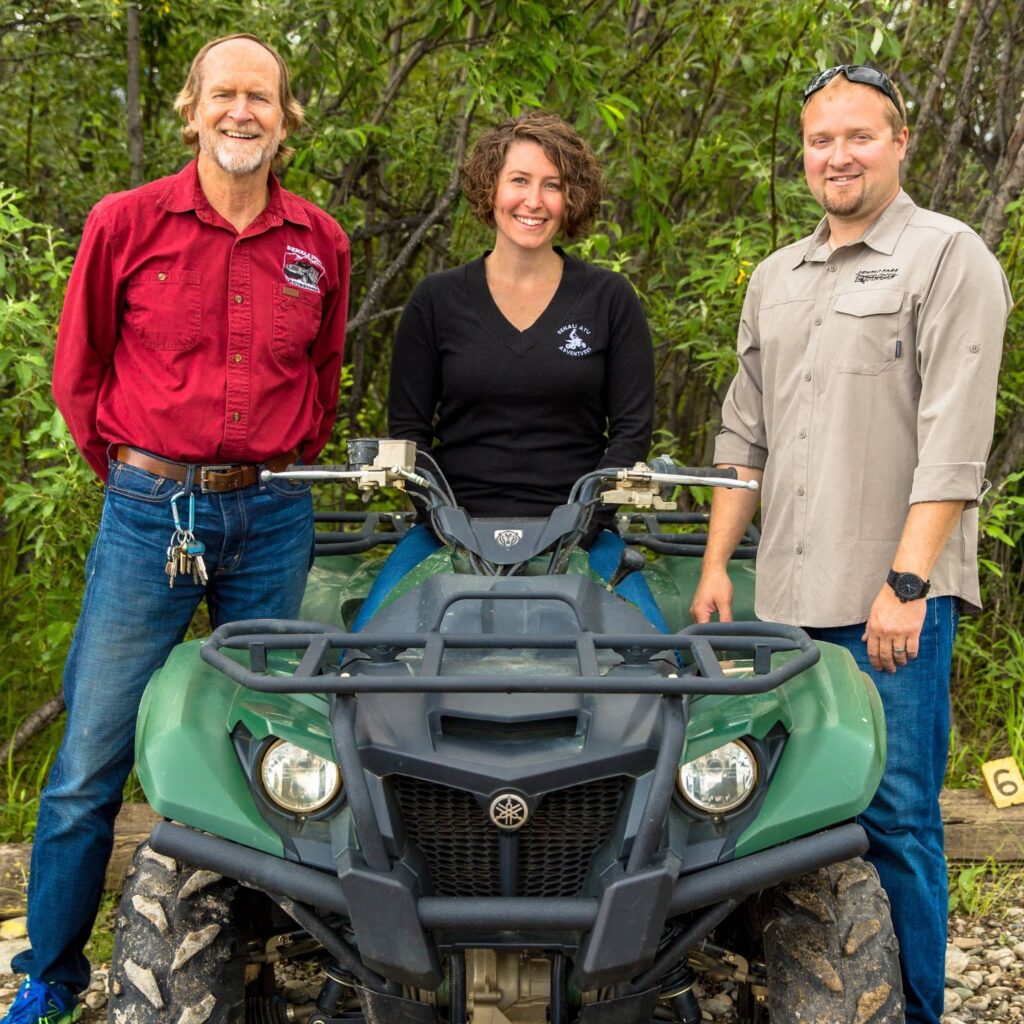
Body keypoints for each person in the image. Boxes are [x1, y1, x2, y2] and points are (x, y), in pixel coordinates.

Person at [3, 34, 350, 1024]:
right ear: (192, 109)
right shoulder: (125, 223)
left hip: (274, 513)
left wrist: (258, 470)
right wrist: (146, 476)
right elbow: (81, 374)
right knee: (90, 755)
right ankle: (53, 976)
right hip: (149, 513)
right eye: (225, 95)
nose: (243, 113)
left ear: (285, 120)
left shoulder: (318, 241)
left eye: (262, 98)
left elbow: (319, 381)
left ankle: (269, 959)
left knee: (276, 745)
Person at [690, 65, 1010, 1023]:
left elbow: (956, 441)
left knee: (896, 818)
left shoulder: (948, 258)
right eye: (821, 140)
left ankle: (912, 1010)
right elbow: (740, 437)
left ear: (900, 141)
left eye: (858, 136)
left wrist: (908, 582)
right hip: (781, 609)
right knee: (768, 821)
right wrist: (715, 566)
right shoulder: (775, 276)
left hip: (886, 606)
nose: (838, 155)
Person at [355, 110, 662, 630]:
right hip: (449, 531)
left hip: (581, 532)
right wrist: (446, 524)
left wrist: (584, 525)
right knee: (362, 657)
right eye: (518, 180)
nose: (533, 201)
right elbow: (410, 435)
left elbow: (631, 433)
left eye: (553, 185)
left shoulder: (609, 299)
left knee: (663, 661)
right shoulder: (436, 301)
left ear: (573, 199)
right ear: (489, 188)